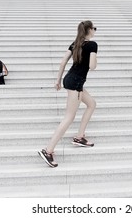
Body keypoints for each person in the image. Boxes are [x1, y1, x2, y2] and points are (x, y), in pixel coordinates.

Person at [38, 20, 98, 168]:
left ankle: (79, 137)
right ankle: (48, 150)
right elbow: (92, 66)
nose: (95, 30)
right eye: (94, 28)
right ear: (89, 30)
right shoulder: (92, 45)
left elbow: (63, 61)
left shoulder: (75, 43)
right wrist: (94, 54)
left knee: (91, 104)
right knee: (69, 117)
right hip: (76, 82)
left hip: (69, 79)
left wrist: (58, 80)